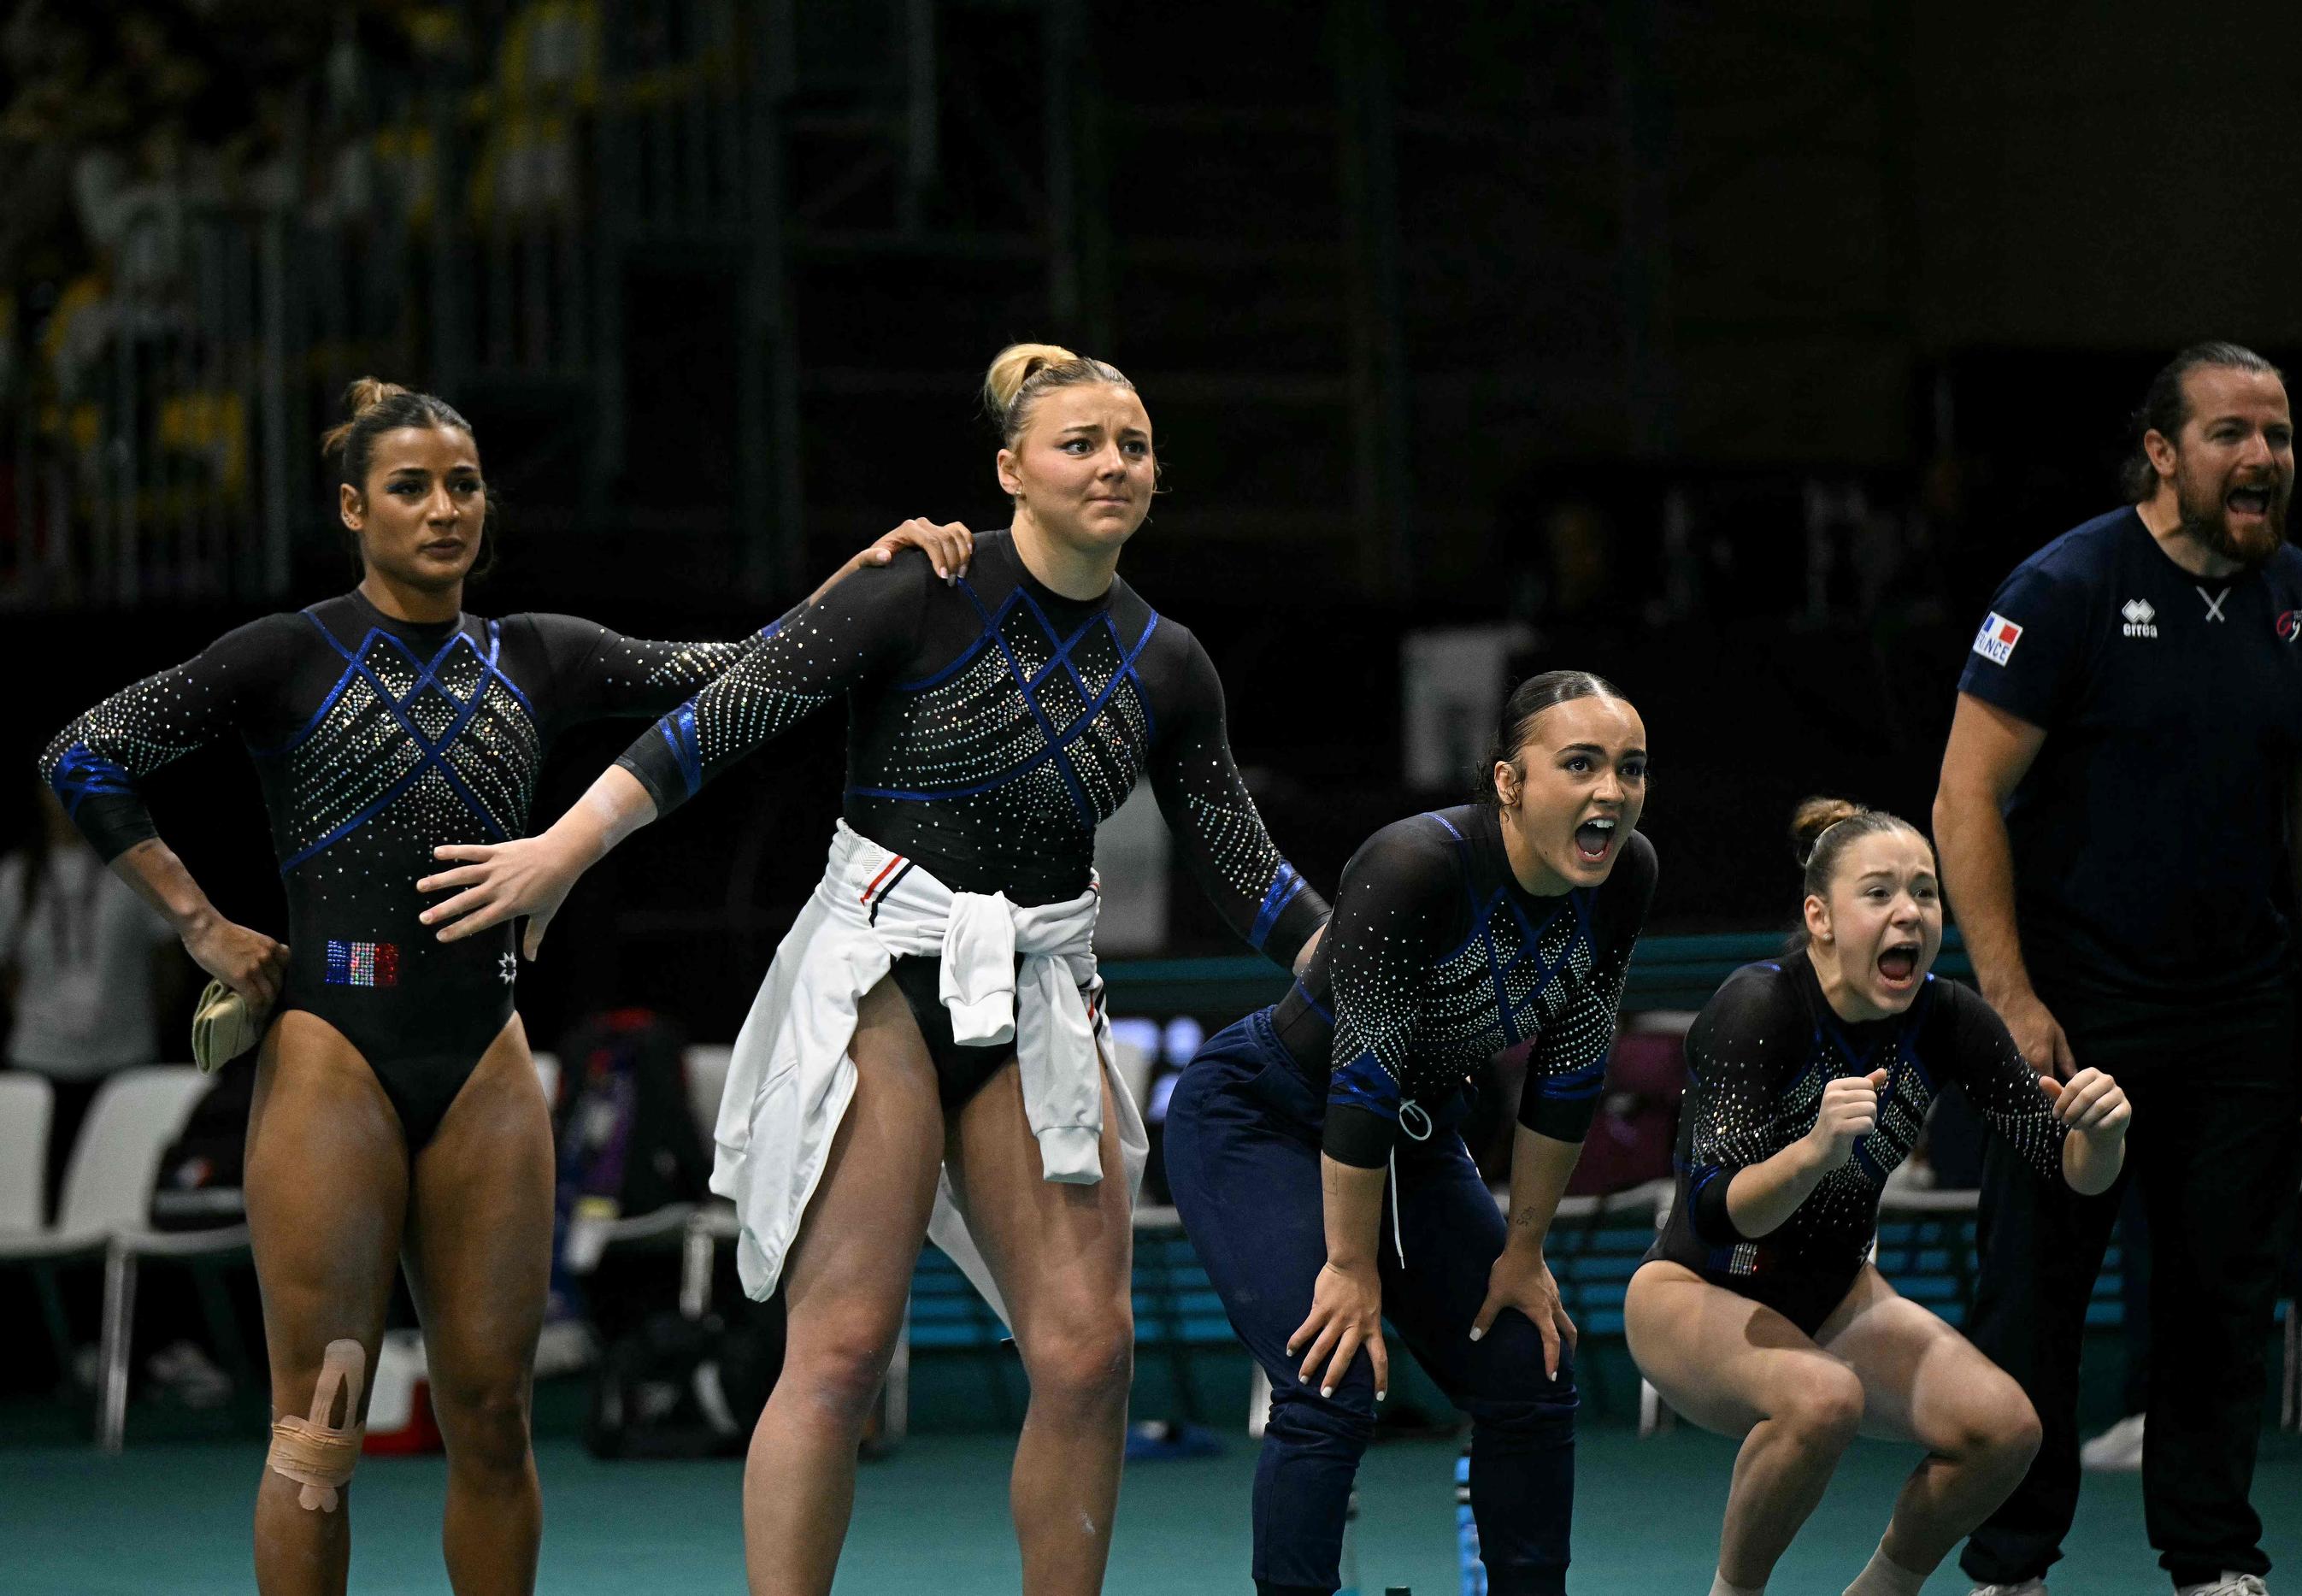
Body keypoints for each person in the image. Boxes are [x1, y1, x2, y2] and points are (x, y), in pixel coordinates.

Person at [416, 344, 1331, 1596]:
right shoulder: (916, 590)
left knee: (1087, 1353)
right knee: (841, 1351)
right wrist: (560, 856)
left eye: (1132, 444)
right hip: (881, 983)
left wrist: (1366, 973)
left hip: (1033, 996)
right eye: (1079, 443)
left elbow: (1243, 868)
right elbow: (717, 721)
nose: (1111, 464)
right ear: (1012, 468)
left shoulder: (1167, 661)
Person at [35, 376, 953, 1596]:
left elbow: (741, 670)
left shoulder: (539, 652)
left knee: (495, 1409)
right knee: (321, 1421)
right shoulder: (286, 652)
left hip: (483, 1057)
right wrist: (202, 926)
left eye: (463, 484)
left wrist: (866, 575)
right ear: (354, 508)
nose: (443, 508)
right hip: (332, 1051)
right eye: (409, 487)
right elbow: (82, 752)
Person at [1932, 342, 2302, 1596]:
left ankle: (2214, 1560)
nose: (2264, 458)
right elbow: (1967, 792)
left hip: (2245, 1008)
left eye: (2279, 434)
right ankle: (2010, 1560)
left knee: (2222, 1294)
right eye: (2232, 432)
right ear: (2164, 452)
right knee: (2036, 1300)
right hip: (2073, 1010)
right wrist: (2009, 995)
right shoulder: (2064, 585)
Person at [1165, 669, 1657, 1596]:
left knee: (1530, 1371)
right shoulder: (1414, 863)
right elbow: (1362, 1077)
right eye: (1581, 764)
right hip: (1261, 1116)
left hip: (1409, 1135)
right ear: (1509, 782)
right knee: (1330, 1382)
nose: (1611, 792)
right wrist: (1349, 1267)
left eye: (1630, 769)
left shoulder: (1625, 875)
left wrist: (1524, 1249)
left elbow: (1568, 1069)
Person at [1626, 799, 2132, 1596]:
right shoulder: (1757, 1006)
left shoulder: (1948, 1015)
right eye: (1881, 893)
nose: (1910, 913)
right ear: (1819, 916)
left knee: (2005, 1430)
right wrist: (1814, 1152)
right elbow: (1718, 1213)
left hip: (1833, 1293)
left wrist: (2101, 1136)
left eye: (1925, 893)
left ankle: (1883, 1590)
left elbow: (2064, 1165)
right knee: (1823, 1398)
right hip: (1696, 1288)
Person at [0, 780, 182, 1218]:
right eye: (53, 787)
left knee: (121, 1196)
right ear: (40, 796)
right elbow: (7, 971)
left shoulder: (134, 870)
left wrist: (143, 1024)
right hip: (39, 1061)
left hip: (124, 1059)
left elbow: (169, 964)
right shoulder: (15, 876)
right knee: (36, 1198)